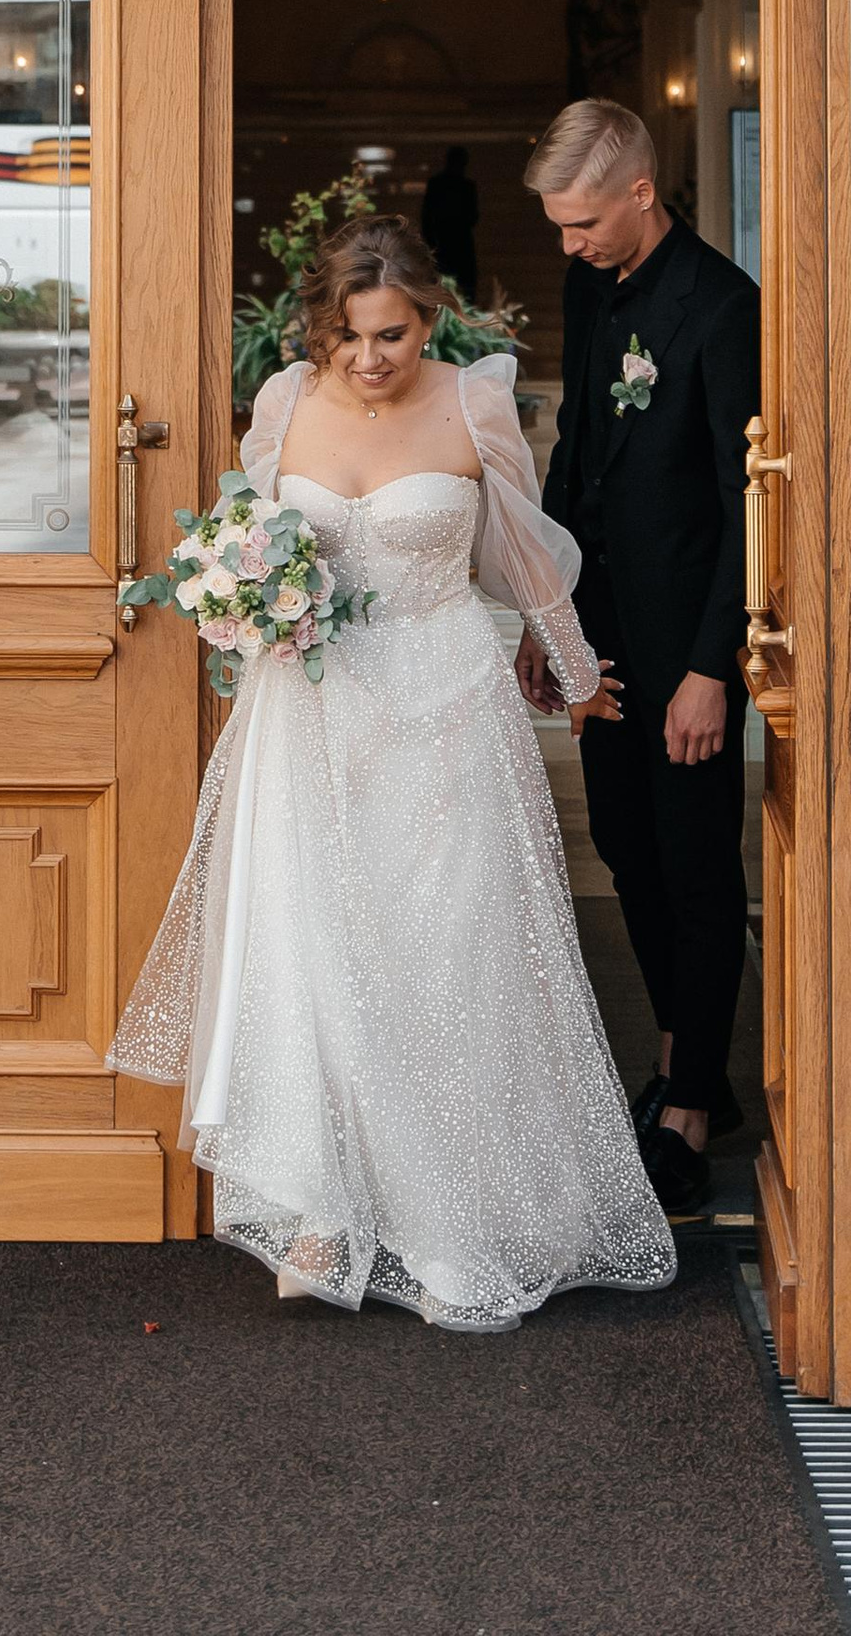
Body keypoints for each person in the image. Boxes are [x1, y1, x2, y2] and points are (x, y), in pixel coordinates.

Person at [109, 216, 675, 1331]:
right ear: (321, 326)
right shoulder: (283, 405)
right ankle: (322, 1210)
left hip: (450, 710)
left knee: (450, 952)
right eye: (351, 334)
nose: (371, 357)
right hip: (312, 717)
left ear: (429, 319)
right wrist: (236, 602)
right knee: (314, 953)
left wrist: (573, 673)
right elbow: (248, 546)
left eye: (395, 333)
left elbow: (519, 554)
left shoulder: (474, 400)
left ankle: (458, 1218)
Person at [524, 95, 760, 1219]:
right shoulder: (591, 287)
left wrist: (714, 666)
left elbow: (742, 500)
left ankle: (689, 1105)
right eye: (559, 228)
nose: (567, 246)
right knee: (624, 842)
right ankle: (687, 1057)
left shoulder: (722, 307)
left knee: (696, 862)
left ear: (636, 191)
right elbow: (575, 452)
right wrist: (547, 614)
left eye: (580, 224)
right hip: (601, 626)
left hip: (689, 643)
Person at [418, 141, 480, 296]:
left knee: (462, 286)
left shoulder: (464, 186)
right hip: (446, 241)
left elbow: (473, 216)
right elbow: (427, 216)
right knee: (445, 285)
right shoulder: (452, 185)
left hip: (452, 241)